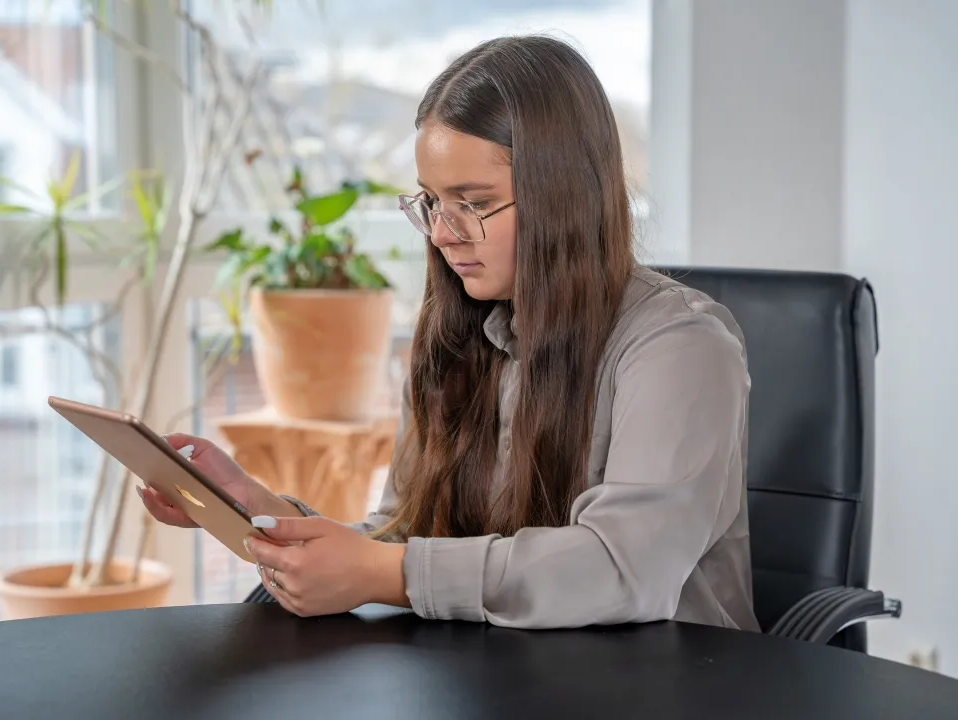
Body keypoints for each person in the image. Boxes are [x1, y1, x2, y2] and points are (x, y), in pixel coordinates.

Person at [139, 35, 758, 631]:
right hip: (508, 678)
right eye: (433, 201)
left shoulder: (681, 345)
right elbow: (403, 538)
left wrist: (391, 571)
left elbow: (624, 570)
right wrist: (257, 510)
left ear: (565, 196)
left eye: (474, 201)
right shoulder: (460, 333)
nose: (441, 233)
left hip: (671, 682)